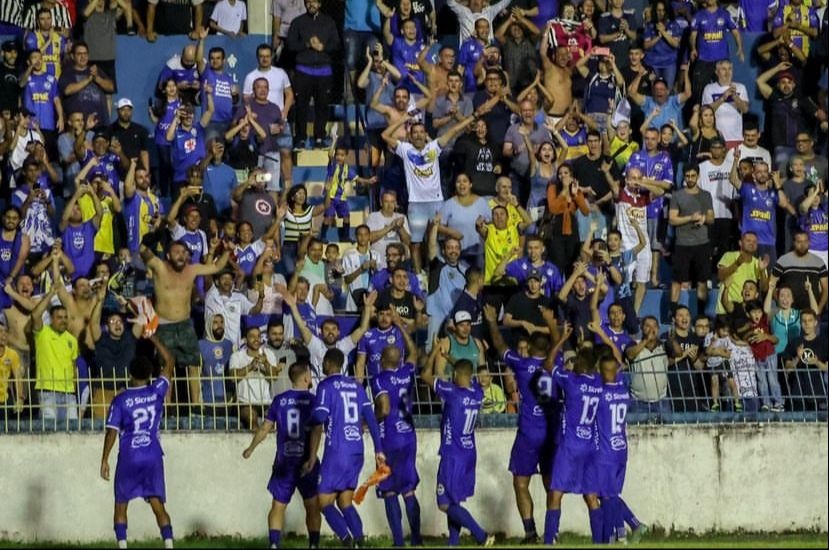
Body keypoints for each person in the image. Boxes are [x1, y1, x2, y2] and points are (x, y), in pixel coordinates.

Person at [139, 227, 230, 415]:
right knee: (166, 365)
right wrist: (154, 233)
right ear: (168, 254)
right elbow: (141, 250)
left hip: (185, 324)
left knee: (194, 362)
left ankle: (196, 403)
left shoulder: (192, 269)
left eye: (184, 252)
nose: (181, 255)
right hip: (163, 325)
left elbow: (216, 267)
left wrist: (227, 250)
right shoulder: (159, 266)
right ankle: (168, 406)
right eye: (177, 252)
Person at [484, 303, 554, 544]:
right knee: (550, 483)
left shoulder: (523, 365)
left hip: (529, 433)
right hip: (551, 433)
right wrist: (552, 323)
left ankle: (531, 532)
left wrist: (493, 321)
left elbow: (500, 346)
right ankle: (552, 534)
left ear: (531, 348)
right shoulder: (555, 367)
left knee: (521, 482)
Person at [302, 348, 385, 547]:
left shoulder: (326, 385)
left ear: (329, 363)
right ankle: (360, 541)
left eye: (324, 362)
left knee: (324, 502)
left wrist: (308, 419)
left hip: (337, 451)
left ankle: (347, 540)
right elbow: (372, 419)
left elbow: (320, 416)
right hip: (357, 450)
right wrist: (378, 449)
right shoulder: (356, 386)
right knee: (345, 501)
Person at [100, 334, 175, 550]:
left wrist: (104, 459)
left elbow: (111, 432)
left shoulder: (121, 399)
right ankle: (169, 545)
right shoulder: (156, 391)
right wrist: (153, 338)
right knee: (157, 503)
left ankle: (123, 545)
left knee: (121, 504)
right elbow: (169, 361)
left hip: (130, 456)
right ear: (151, 373)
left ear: (130, 374)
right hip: (152, 454)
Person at [381, 110, 479, 274]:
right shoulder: (405, 150)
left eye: (421, 132)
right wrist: (403, 119)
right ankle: (419, 276)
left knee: (439, 241)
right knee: (416, 243)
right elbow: (385, 135)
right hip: (416, 204)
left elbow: (454, 130)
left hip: (436, 203)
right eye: (415, 133)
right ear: (410, 136)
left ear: (426, 134)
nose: (418, 136)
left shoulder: (434, 147)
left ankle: (437, 272)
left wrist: (473, 116)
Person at [420, 348, 494, 547]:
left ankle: (481, 535)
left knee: (444, 503)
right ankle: (453, 543)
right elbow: (464, 370)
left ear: (454, 375)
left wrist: (436, 351)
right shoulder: (477, 393)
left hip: (453, 454)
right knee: (454, 501)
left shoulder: (452, 393)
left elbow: (425, 375)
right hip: (469, 453)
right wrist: (450, 358)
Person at [242, 362, 321, 549]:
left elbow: (265, 428)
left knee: (278, 505)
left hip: (284, 460)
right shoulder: (313, 400)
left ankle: (274, 544)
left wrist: (251, 448)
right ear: (306, 378)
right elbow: (317, 429)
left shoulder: (279, 400)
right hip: (305, 460)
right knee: (312, 504)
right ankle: (314, 544)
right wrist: (312, 457)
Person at [542, 332, 604, 545]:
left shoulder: (571, 381)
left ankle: (549, 539)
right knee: (591, 496)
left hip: (570, 446)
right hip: (590, 447)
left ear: (581, 366)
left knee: (555, 493)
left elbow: (548, 364)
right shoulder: (597, 382)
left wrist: (560, 340)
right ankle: (599, 541)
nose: (572, 364)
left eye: (575, 362)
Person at [590, 329, 648, 544]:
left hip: (603, 450)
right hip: (621, 449)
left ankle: (616, 535)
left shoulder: (599, 392)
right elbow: (618, 364)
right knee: (609, 493)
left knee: (604, 495)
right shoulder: (623, 389)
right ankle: (626, 529)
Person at [372, 335, 422, 547]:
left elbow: (383, 409)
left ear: (382, 360)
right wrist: (401, 327)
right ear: (399, 360)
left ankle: (399, 541)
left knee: (389, 489)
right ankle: (417, 540)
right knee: (408, 489)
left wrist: (369, 421)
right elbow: (414, 352)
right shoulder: (408, 372)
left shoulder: (378, 379)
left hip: (389, 438)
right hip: (409, 436)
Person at [286, 0, 340, 150]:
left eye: (314, 2)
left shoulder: (329, 22)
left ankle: (319, 138)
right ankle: (301, 138)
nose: (311, 4)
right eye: (308, 2)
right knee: (302, 106)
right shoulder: (298, 22)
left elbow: (336, 44)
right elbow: (290, 44)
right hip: (303, 70)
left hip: (324, 71)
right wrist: (307, 45)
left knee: (322, 107)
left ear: (320, 4)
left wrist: (323, 47)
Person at [668, 164, 715, 314]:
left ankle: (702, 314)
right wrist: (690, 218)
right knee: (677, 281)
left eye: (693, 176)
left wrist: (703, 218)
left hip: (702, 244)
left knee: (702, 281)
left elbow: (711, 218)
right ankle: (673, 315)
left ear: (698, 176)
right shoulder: (677, 196)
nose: (690, 179)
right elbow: (672, 220)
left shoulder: (705, 195)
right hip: (682, 244)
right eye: (687, 176)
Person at [770, 230, 828, 315]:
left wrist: (819, 309)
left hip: (811, 314)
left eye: (805, 241)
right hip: (789, 314)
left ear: (809, 242)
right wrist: (780, 303)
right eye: (799, 242)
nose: (802, 245)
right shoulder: (783, 260)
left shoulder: (818, 262)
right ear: (794, 243)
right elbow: (771, 285)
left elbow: (826, 289)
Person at [782, 309, 828, 412]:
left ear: (815, 323)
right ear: (800, 323)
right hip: (797, 394)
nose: (807, 324)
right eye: (804, 321)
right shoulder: (794, 343)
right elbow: (788, 369)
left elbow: (826, 368)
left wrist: (817, 363)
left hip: (817, 393)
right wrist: (797, 358)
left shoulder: (824, 343)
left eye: (810, 320)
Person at [625, 316, 670, 415]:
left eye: (654, 326)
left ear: (658, 329)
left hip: (661, 401)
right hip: (638, 402)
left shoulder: (664, 346)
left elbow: (677, 353)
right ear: (641, 328)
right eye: (648, 326)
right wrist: (646, 340)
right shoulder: (633, 343)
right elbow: (630, 355)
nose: (651, 329)